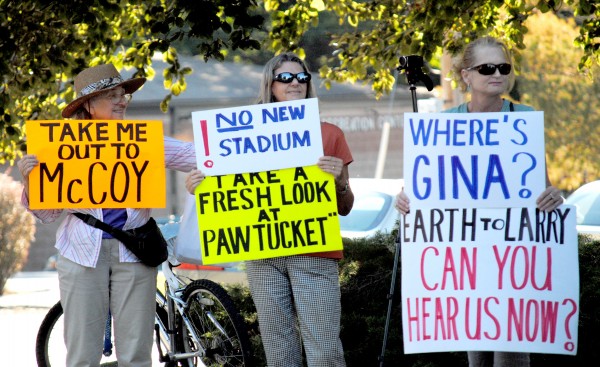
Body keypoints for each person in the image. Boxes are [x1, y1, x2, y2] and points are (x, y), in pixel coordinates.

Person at [395, 36, 563, 367]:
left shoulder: (523, 119)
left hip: (513, 258)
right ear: (466, 76)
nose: (497, 74)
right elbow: (425, 189)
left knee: (511, 356)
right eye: (487, 68)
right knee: (477, 358)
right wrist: (406, 199)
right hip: (466, 263)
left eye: (504, 67)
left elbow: (541, 186)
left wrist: (553, 194)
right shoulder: (444, 125)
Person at [18, 64, 196, 367]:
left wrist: (203, 174)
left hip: (135, 252)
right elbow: (48, 214)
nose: (121, 101)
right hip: (81, 254)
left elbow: (196, 155)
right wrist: (29, 181)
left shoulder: (142, 140)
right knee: (82, 355)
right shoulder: (59, 146)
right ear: (88, 105)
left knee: (137, 354)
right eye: (111, 95)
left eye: (122, 95)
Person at [186, 52, 354, 366]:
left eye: (302, 77)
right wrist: (199, 186)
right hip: (264, 256)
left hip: (314, 252)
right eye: (286, 77)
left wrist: (339, 183)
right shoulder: (240, 135)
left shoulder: (330, 134)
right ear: (270, 85)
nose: (296, 83)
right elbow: (225, 191)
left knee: (325, 352)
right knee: (279, 352)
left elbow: (345, 206)